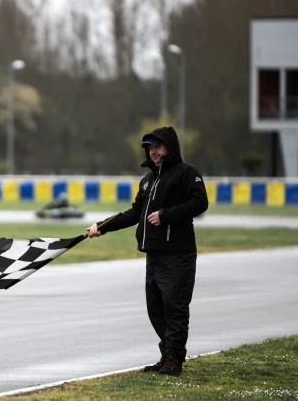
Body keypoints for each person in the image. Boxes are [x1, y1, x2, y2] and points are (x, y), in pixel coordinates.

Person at [86, 126, 208, 376]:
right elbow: (134, 213)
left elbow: (200, 202)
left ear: (170, 147)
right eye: (150, 148)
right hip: (154, 255)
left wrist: (165, 216)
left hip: (178, 254)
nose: (153, 152)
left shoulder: (187, 173)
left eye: (158, 147)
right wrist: (102, 226)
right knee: (156, 309)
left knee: (174, 308)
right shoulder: (148, 181)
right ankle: (166, 355)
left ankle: (175, 359)